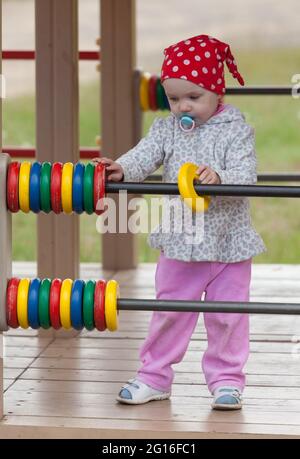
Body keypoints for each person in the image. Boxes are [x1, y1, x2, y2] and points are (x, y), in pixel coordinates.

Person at [93, 34, 266, 410]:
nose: (182, 106)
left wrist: (220, 178)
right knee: (170, 311)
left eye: (193, 97)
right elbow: (146, 154)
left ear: (216, 92)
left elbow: (246, 174)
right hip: (179, 239)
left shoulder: (236, 131)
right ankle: (155, 376)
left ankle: (227, 381)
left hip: (227, 245)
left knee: (228, 319)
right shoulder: (167, 130)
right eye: (173, 98)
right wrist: (123, 167)